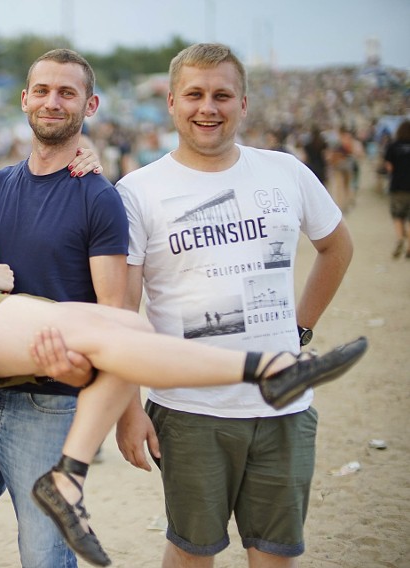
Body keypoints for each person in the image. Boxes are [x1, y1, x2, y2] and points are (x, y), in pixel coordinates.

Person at [0, 67, 368, 567]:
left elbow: (111, 298)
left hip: (41, 385)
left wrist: (128, 410)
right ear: (25, 100)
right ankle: (269, 370)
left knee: (130, 326)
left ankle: (77, 473)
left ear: (89, 106)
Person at [115, 43, 357, 567]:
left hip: (283, 405)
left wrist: (301, 329)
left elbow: (337, 247)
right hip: (189, 409)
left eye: (222, 95)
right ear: (173, 104)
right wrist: (129, 408)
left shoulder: (285, 172)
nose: (209, 108)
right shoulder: (137, 191)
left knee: (274, 554)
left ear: (243, 104)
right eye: (195, 95)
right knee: (191, 549)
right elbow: (122, 312)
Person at [0, 49, 129, 568]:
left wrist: (118, 409)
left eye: (67, 92)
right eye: (42, 90)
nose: (52, 101)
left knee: (44, 555)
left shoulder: (98, 198)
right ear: (24, 100)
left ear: (90, 105)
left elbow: (115, 315)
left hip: (51, 403)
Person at [383, 119, 410, 258]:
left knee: (398, 215)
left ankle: (400, 239)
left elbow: (389, 167)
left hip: (398, 185)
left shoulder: (393, 146)